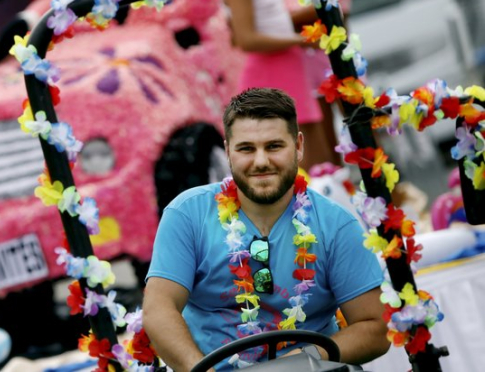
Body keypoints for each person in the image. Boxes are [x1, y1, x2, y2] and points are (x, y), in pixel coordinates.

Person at [143, 88, 389, 371]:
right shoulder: (187, 214)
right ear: (227, 152)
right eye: (246, 148)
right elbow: (159, 310)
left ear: (298, 146)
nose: (261, 161)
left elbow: (375, 327)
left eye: (273, 146)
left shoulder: (336, 224)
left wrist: (301, 360)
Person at [221, 0, 336, 170]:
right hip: (270, 76)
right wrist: (302, 40)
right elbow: (246, 39)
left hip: (289, 70)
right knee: (309, 169)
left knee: (321, 167)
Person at [283, 0, 352, 166]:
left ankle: (387, 198)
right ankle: (341, 196)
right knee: (326, 146)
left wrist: (279, 21)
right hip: (303, 64)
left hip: (336, 57)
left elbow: (328, 0)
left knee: (361, 131)